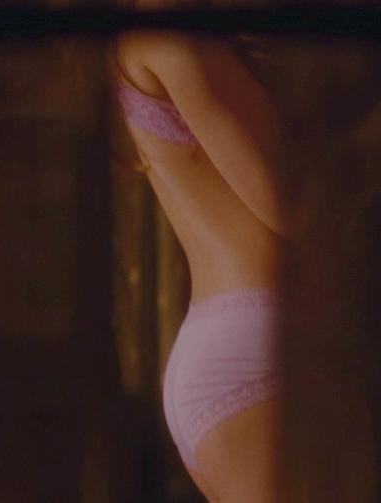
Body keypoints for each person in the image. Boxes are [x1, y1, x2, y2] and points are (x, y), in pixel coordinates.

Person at [110, 1, 288, 499]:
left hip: (248, 348)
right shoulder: (170, 32)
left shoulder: (155, 32)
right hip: (259, 354)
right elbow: (294, 204)